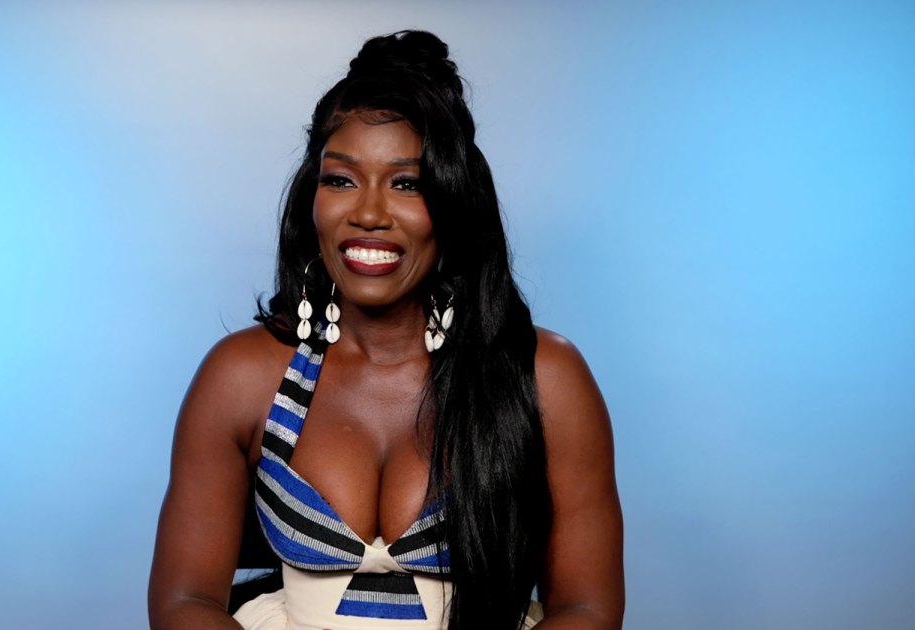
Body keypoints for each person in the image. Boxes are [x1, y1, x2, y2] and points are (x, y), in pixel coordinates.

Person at [148, 30, 624, 630]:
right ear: (312, 198)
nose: (368, 214)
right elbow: (183, 602)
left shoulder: (543, 378)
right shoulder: (243, 377)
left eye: (407, 183)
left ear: (454, 200)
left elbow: (587, 609)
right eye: (340, 180)